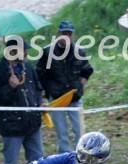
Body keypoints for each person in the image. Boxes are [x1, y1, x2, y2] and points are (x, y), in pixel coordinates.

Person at [36, 21, 94, 153]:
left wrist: (80, 85)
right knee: (62, 133)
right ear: (58, 34)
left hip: (75, 98)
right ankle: (64, 158)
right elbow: (39, 74)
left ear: (72, 34)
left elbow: (87, 70)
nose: (66, 36)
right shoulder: (47, 52)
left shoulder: (79, 50)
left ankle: (82, 155)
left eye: (69, 33)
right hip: (57, 100)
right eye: (64, 33)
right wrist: (47, 91)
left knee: (80, 130)